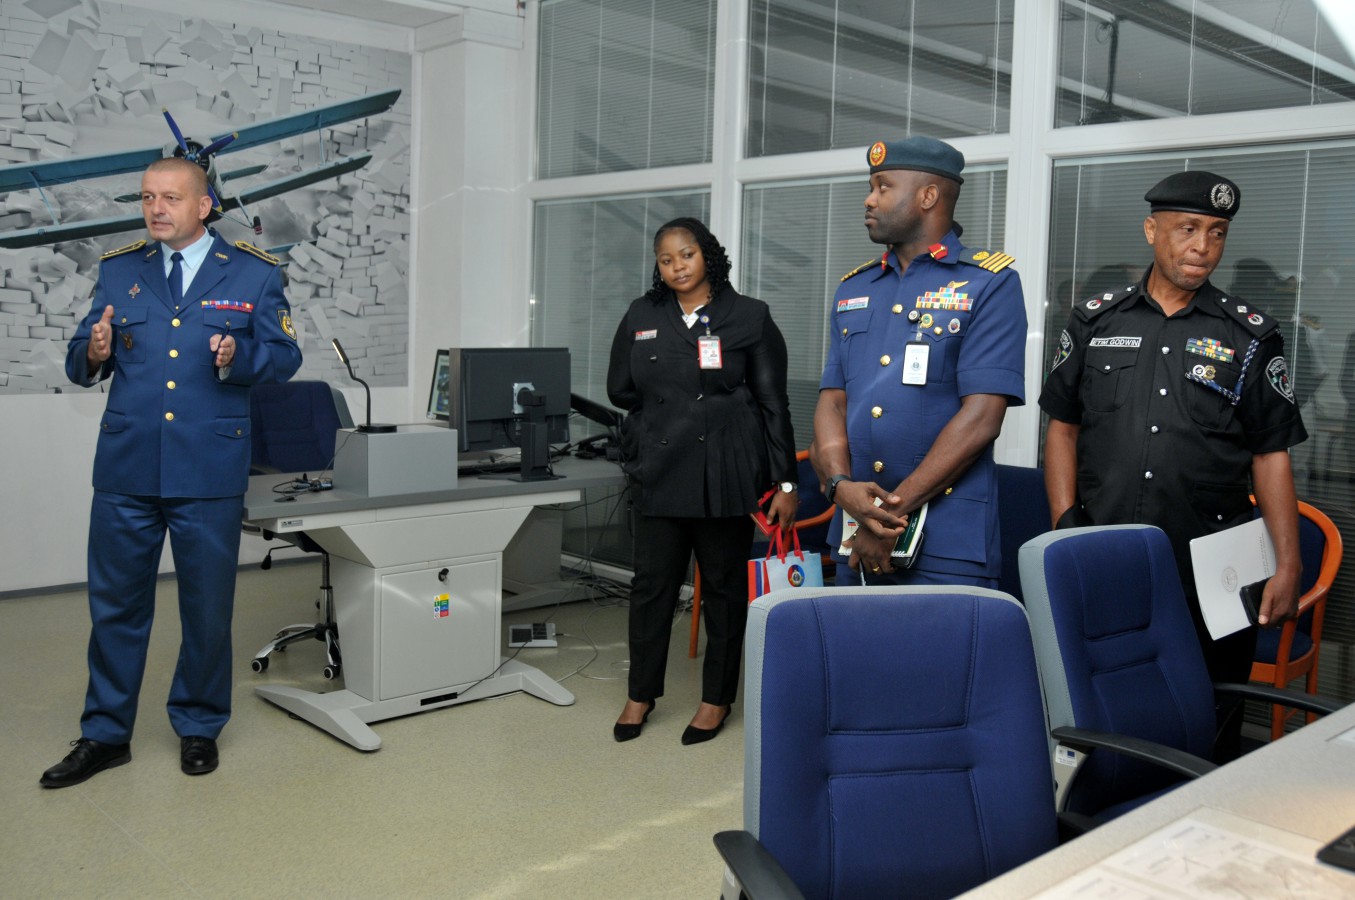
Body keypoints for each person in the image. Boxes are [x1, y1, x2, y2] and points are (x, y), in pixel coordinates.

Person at [41, 157, 302, 788]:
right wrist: (93, 352)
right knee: (115, 610)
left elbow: (286, 356)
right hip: (127, 469)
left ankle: (199, 724)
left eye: (171, 198)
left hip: (208, 469)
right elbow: (81, 359)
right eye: (147, 198)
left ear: (204, 205)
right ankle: (105, 735)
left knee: (207, 611)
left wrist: (240, 355)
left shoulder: (254, 272)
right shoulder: (119, 269)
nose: (156, 209)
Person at [1039, 170, 1306, 759]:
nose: (1202, 247)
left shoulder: (1250, 335)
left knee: (1212, 718)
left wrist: (1288, 563)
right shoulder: (1094, 321)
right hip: (1105, 549)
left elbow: (1271, 454)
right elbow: (1062, 428)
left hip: (1214, 567)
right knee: (1104, 712)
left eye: (1217, 233)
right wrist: (1064, 526)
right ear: (1151, 230)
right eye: (1187, 229)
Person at [607, 217, 797, 745]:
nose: (677, 267)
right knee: (651, 589)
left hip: (724, 474)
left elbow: (773, 404)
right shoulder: (643, 314)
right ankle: (640, 694)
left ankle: (716, 699)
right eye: (666, 260)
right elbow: (620, 388)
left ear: (707, 255)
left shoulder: (749, 316)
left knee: (723, 590)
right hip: (659, 473)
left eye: (686, 255)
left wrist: (785, 483)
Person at [810, 136, 1027, 587]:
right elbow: (833, 402)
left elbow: (982, 418)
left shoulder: (989, 284)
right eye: (871, 187)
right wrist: (839, 486)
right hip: (853, 536)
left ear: (928, 196)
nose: (869, 199)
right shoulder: (854, 288)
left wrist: (887, 516)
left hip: (947, 544)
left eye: (884, 187)